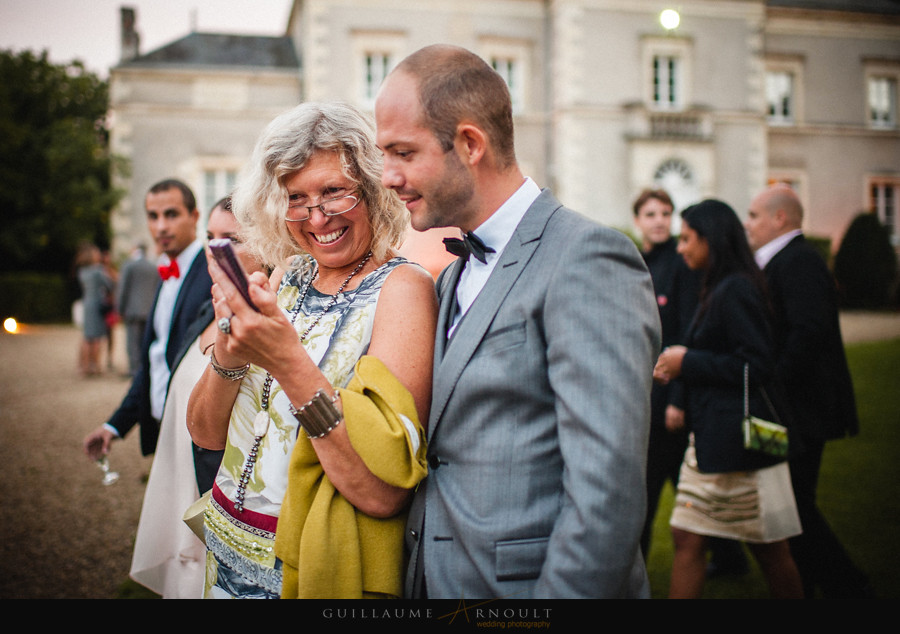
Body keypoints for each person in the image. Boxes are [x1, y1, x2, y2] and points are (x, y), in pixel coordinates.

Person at [375, 44, 660, 599]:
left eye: (402, 152)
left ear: (470, 144)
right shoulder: (453, 273)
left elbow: (607, 498)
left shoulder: (588, 259)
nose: (388, 176)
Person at [186, 101, 436, 599]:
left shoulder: (403, 289)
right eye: (295, 197)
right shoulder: (287, 277)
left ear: (374, 187)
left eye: (333, 192)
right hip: (225, 553)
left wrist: (288, 361)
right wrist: (231, 355)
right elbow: (204, 434)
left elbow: (382, 492)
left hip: (310, 564)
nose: (316, 217)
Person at [654, 199, 804, 599]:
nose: (681, 247)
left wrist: (688, 361)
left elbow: (755, 365)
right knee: (687, 538)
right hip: (714, 439)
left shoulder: (735, 288)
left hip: (738, 447)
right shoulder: (719, 284)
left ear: (711, 239)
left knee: (771, 550)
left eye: (687, 239)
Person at [745, 183, 871, 598]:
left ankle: (847, 585)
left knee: (793, 506)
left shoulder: (798, 261)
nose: (749, 225)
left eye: (755, 216)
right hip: (797, 405)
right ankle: (814, 581)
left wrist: (771, 386)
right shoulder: (786, 261)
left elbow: (806, 333)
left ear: (780, 218)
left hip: (805, 407)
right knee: (790, 505)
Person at [130, 197, 253, 598]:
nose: (215, 254)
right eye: (211, 239)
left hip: (217, 485)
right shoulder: (207, 308)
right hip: (177, 467)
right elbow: (156, 366)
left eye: (231, 240)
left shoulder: (270, 324)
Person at [82, 179, 214, 490]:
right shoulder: (164, 272)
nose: (161, 226)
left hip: (197, 435)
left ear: (195, 217)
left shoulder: (211, 271)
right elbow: (154, 361)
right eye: (153, 217)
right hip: (161, 427)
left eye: (171, 214)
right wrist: (114, 425)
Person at [632, 189, 699, 558]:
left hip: (673, 395)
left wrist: (677, 398)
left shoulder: (682, 263)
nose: (659, 220)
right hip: (647, 392)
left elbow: (687, 333)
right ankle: (728, 555)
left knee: (653, 480)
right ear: (638, 220)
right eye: (651, 213)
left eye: (665, 213)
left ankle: (635, 556)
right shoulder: (638, 262)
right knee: (681, 479)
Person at [117, 243, 160, 377]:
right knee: (144, 342)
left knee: (132, 342)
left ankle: (134, 370)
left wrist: (120, 308)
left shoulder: (129, 265)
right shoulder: (153, 266)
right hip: (149, 309)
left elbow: (123, 288)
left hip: (133, 310)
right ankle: (144, 368)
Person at [75, 243, 114, 377]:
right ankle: (95, 366)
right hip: (97, 304)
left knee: (87, 337)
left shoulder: (82, 271)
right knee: (97, 337)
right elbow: (109, 284)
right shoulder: (98, 270)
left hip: (86, 303)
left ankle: (84, 366)